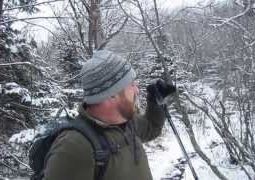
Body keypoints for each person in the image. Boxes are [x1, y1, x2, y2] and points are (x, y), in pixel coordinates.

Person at [42, 50, 176, 180]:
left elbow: (151, 129)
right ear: (112, 93)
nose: (137, 90)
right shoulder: (74, 147)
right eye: (131, 84)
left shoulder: (126, 120)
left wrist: (155, 102)